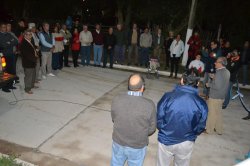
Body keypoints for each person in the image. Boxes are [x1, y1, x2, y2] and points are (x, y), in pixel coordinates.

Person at [157, 69, 208, 166]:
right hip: (186, 141)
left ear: (181, 80)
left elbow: (159, 117)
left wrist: (164, 129)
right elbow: (201, 125)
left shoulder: (168, 96)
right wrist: (193, 133)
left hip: (166, 139)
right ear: (197, 83)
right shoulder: (201, 103)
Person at [111, 74, 156, 166]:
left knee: (116, 163)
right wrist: (141, 133)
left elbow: (114, 118)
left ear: (129, 86)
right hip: (137, 145)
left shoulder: (117, 99)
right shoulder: (149, 105)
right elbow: (152, 128)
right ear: (142, 87)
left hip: (118, 142)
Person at [205, 57, 230, 134]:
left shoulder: (219, 72)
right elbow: (222, 83)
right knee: (218, 113)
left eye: (216, 62)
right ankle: (219, 129)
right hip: (221, 96)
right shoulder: (226, 71)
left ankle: (209, 130)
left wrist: (209, 84)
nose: (215, 63)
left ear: (221, 63)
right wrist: (214, 77)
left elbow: (217, 86)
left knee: (211, 113)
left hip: (215, 96)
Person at [0, 22, 18, 92]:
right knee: (5, 71)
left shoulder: (9, 34)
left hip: (11, 55)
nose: (5, 28)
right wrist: (10, 42)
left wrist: (9, 42)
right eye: (3, 27)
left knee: (12, 71)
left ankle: (10, 85)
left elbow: (16, 41)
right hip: (4, 56)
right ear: (0, 28)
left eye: (5, 27)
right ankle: (5, 87)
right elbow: (3, 45)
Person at [19, 29, 38, 94]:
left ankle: (32, 85)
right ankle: (27, 88)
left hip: (33, 61)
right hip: (28, 62)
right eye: (28, 34)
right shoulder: (23, 43)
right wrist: (35, 59)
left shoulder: (30, 40)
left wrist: (36, 48)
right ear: (24, 35)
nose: (29, 36)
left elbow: (33, 47)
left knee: (33, 74)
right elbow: (27, 55)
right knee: (28, 76)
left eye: (30, 34)